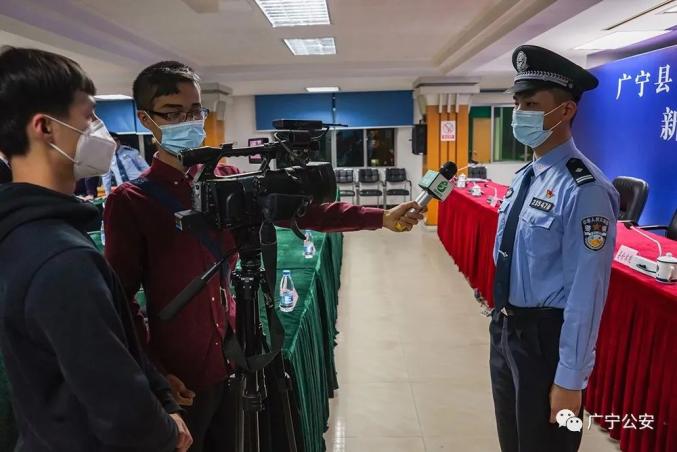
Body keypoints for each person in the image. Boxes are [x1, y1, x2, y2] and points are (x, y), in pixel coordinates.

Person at [103, 60, 424, 452]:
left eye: (195, 111)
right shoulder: (130, 201)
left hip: (238, 353)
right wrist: (154, 373)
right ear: (145, 119)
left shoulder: (225, 178)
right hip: (180, 373)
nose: (188, 121)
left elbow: (303, 212)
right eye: (173, 113)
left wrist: (380, 217)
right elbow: (120, 300)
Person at [0, 47, 192, 452]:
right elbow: (118, 404)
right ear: (45, 128)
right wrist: (168, 430)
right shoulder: (60, 259)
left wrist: (160, 394)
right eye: (88, 116)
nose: (100, 131)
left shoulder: (29, 231)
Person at [490, 45, 620, 452]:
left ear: (565, 111)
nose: (519, 113)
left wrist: (570, 379)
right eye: (517, 103)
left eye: (531, 104)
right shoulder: (526, 176)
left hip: (547, 341)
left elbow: (587, 292)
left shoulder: (585, 190)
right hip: (506, 331)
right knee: (513, 442)